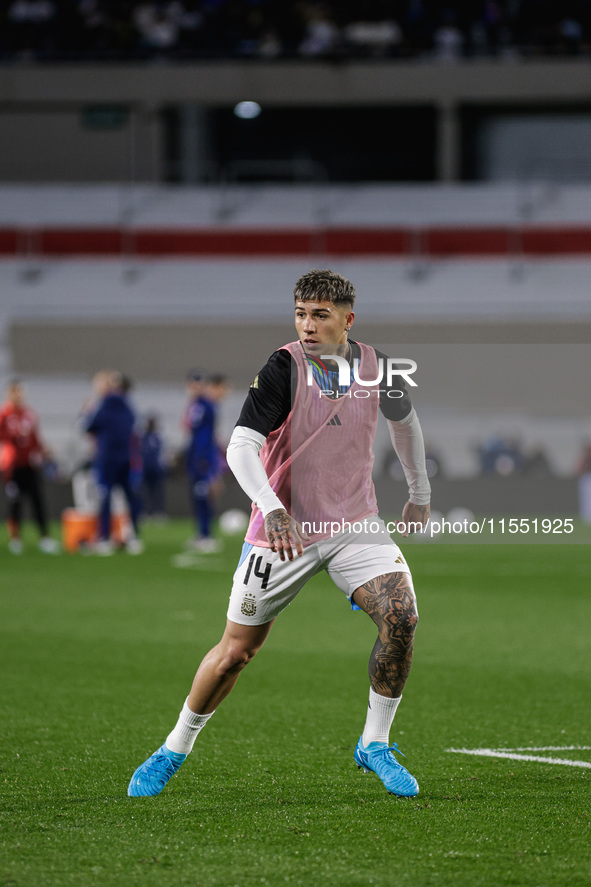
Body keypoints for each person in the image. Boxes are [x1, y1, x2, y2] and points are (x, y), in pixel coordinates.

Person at [128, 269, 431, 799]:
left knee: (402, 616)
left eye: (320, 314)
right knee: (236, 653)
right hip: (283, 533)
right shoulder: (282, 368)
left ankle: (375, 744)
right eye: (300, 313)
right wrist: (271, 509)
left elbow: (405, 421)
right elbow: (240, 446)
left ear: (347, 320)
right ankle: (173, 749)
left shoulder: (376, 366)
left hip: (353, 523)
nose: (307, 325)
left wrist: (419, 492)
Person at [82, 370, 143, 555]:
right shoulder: (127, 404)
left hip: (107, 458)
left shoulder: (106, 404)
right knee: (130, 497)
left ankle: (105, 538)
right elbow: (132, 424)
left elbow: (89, 426)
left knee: (105, 497)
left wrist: (86, 412)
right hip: (125, 457)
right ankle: (133, 537)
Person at [0, 379, 60, 554]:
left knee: (38, 501)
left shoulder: (29, 414)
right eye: (15, 391)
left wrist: (43, 451)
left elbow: (34, 438)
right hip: (12, 466)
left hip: (30, 465)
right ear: (9, 393)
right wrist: (16, 436)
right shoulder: (4, 415)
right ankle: (15, 539)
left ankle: (45, 538)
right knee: (14, 502)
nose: (19, 395)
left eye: (21, 391)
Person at [183, 369, 223, 553]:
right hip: (195, 456)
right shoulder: (195, 405)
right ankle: (201, 533)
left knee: (204, 496)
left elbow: (208, 435)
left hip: (203, 457)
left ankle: (207, 535)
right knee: (197, 497)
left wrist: (211, 462)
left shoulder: (206, 405)